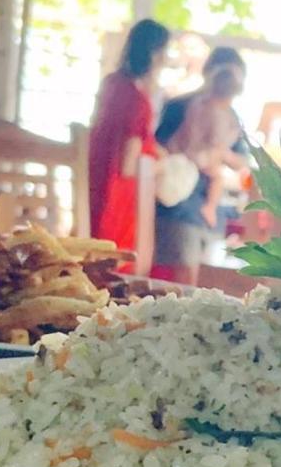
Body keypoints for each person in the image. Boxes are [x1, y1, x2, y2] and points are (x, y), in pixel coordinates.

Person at [154, 59, 249, 284]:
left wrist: (222, 155)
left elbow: (240, 160)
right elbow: (162, 145)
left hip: (207, 191)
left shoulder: (230, 117)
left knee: (208, 269)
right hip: (180, 198)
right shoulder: (183, 106)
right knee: (184, 269)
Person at [88, 19, 170, 274]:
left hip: (94, 188)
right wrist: (162, 167)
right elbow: (128, 165)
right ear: (155, 54)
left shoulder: (111, 84)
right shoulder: (138, 101)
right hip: (118, 203)